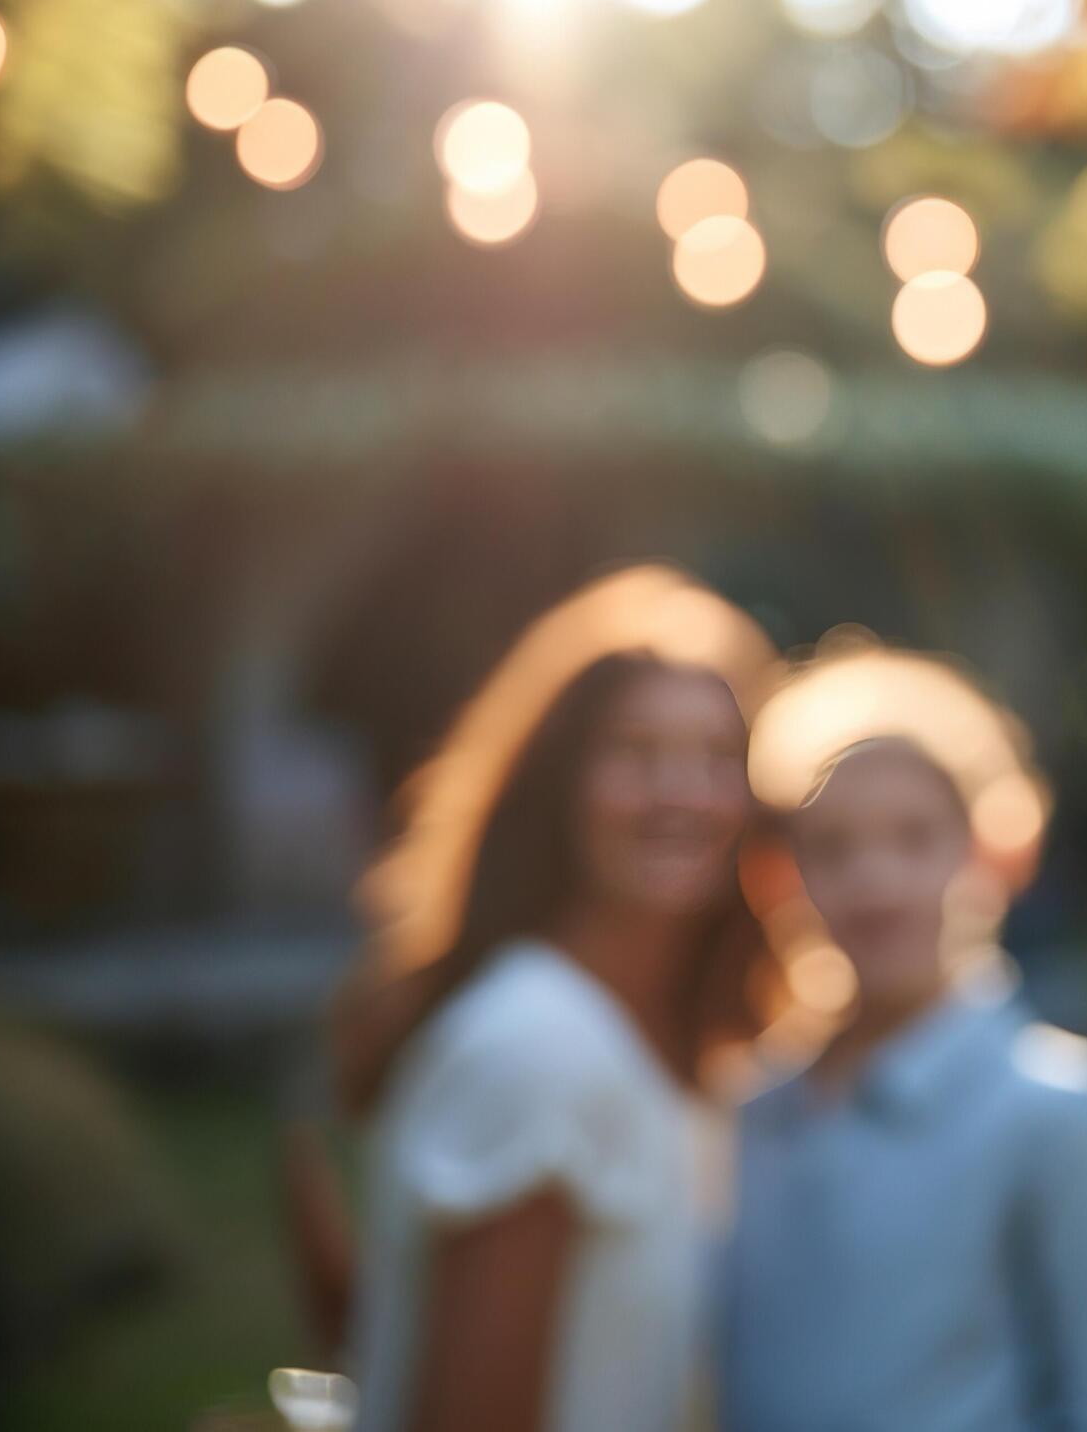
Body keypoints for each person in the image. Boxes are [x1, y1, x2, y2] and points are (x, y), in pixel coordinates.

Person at [324, 564, 779, 1432]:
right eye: (637, 753)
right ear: (559, 781)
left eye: (717, 758)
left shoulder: (685, 1049)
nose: (681, 793)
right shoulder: (537, 1047)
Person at [718, 642, 1087, 1432]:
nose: (874, 880)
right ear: (786, 873)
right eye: (833, 845)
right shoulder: (752, 1106)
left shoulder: (1053, 1110)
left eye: (915, 837)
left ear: (987, 849)